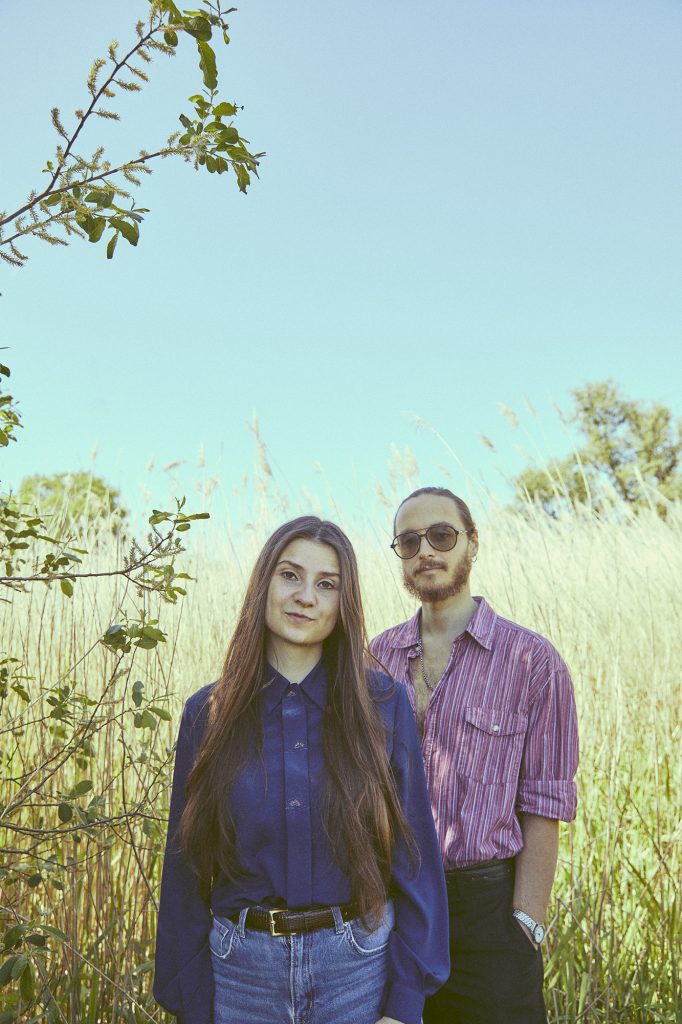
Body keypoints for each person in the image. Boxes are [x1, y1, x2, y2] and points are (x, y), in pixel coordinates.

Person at [153, 515, 450, 1024]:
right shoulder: (208, 714)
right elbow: (186, 868)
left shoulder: (383, 705)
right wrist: (192, 1003)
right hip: (240, 978)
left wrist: (404, 1005)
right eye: (290, 575)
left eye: (326, 584)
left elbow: (414, 855)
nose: (305, 597)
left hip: (356, 975)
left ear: (343, 602)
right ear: (264, 584)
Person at [370, 487, 579, 1024]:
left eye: (441, 535)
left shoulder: (532, 661)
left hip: (487, 915)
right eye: (409, 541)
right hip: (392, 907)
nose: (425, 551)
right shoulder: (375, 658)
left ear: (473, 543)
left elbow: (545, 801)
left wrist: (526, 922)